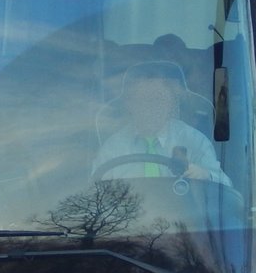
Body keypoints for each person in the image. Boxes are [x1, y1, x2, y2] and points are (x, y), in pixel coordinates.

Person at [92, 61, 230, 186]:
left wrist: (205, 175)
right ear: (129, 104)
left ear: (171, 104)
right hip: (128, 213)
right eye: (143, 100)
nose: (152, 107)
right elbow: (94, 192)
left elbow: (226, 186)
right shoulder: (112, 148)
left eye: (159, 99)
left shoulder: (193, 140)